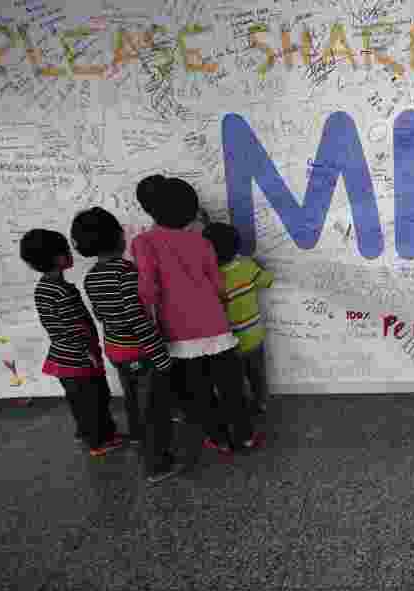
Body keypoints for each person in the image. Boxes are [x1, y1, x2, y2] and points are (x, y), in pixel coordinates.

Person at [131, 175, 264, 463]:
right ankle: (245, 434)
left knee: (200, 392)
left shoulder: (143, 243)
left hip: (179, 335)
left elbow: (148, 289)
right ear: (191, 212)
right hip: (217, 328)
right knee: (232, 388)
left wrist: (150, 323)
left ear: (151, 210)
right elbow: (217, 285)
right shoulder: (201, 242)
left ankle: (218, 438)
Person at [71, 207, 182, 485]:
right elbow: (138, 318)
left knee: (133, 400)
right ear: (119, 237)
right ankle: (157, 464)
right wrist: (160, 355)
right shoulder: (126, 272)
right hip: (140, 351)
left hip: (116, 350)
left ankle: (137, 438)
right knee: (154, 407)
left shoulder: (91, 277)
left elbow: (100, 315)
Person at [19, 229, 127, 457]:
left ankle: (93, 433)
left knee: (82, 401)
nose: (70, 253)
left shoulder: (43, 289)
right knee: (93, 401)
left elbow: (56, 327)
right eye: (66, 250)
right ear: (58, 258)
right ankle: (98, 442)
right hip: (78, 361)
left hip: (62, 359)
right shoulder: (62, 291)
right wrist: (88, 352)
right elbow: (74, 327)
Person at [202, 222, 274, 415]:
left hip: (228, 341)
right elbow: (267, 281)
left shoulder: (207, 277)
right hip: (253, 337)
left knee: (234, 380)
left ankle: (239, 408)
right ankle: (261, 402)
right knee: (257, 374)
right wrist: (260, 266)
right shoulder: (247, 267)